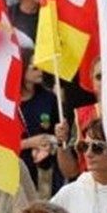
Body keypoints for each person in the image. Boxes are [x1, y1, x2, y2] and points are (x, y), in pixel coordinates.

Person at [18, 47, 63, 199]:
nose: (41, 71)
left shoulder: (49, 98)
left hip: (46, 172)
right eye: (35, 68)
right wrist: (30, 143)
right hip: (17, 170)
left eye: (42, 66)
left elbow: (59, 133)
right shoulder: (9, 101)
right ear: (22, 69)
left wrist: (50, 142)